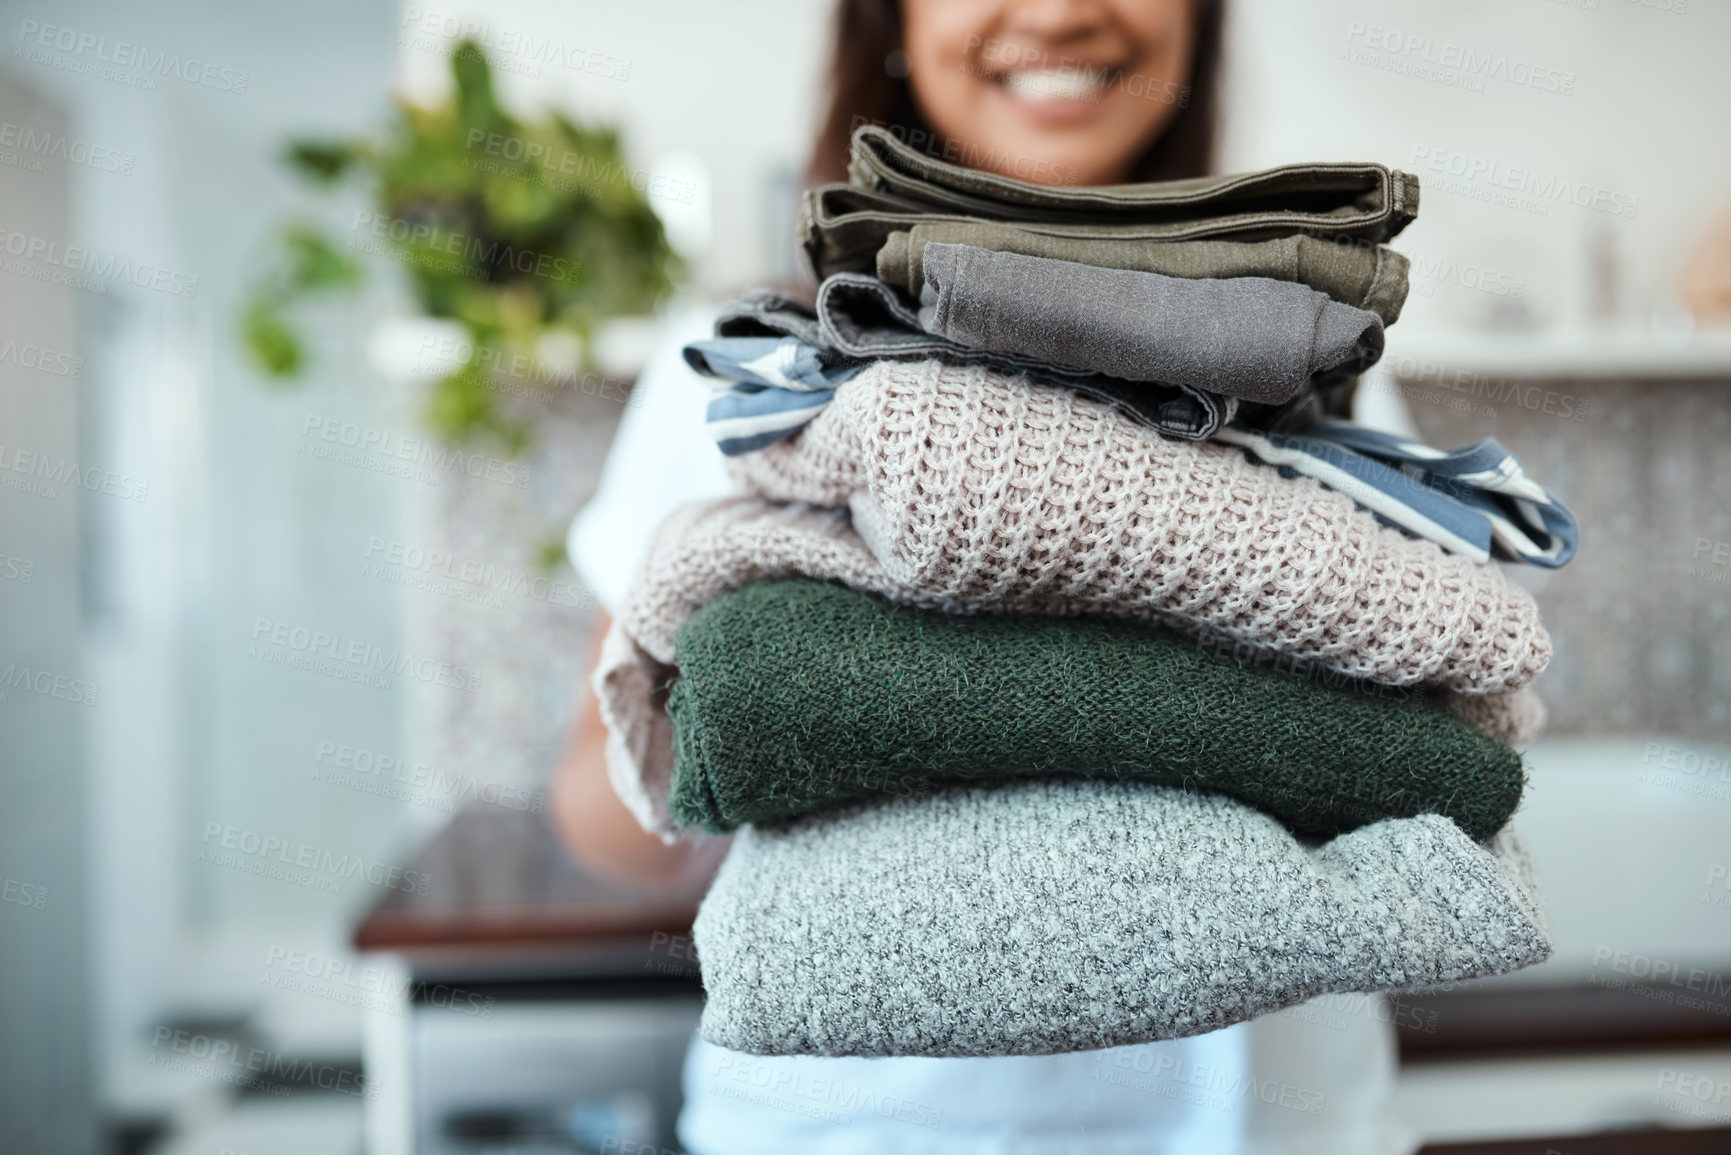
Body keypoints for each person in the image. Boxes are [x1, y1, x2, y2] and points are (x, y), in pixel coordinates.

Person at [552, 2, 1414, 1151]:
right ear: (890, 23)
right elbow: (598, 805)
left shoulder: (1304, 357)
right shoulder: (757, 372)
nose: (1058, 10)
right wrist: (757, 731)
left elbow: (1429, 746)